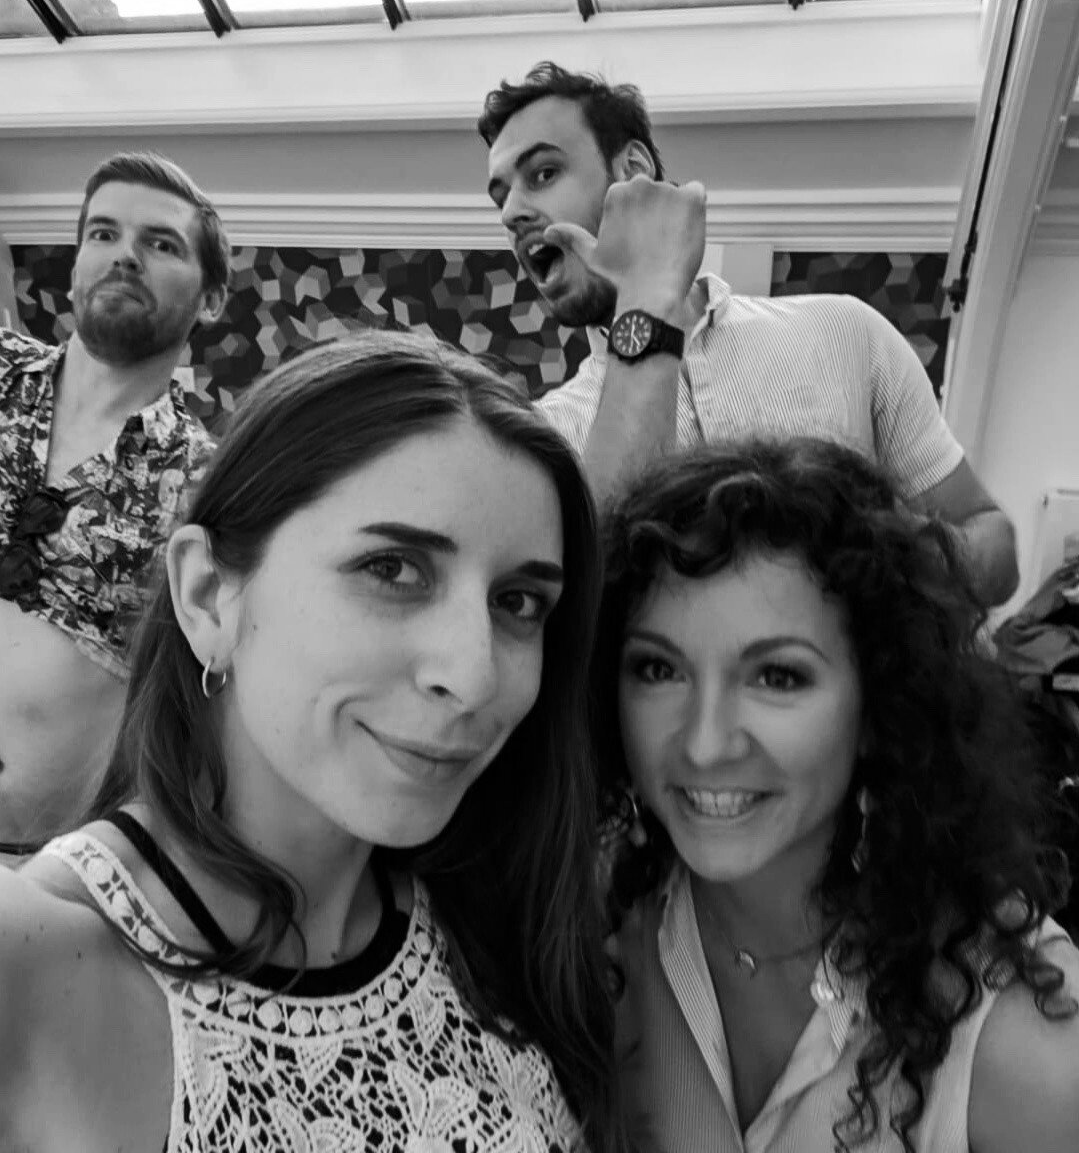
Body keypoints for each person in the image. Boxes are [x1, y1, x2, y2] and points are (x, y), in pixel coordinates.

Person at [0, 332, 625, 1152]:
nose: (474, 677)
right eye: (392, 569)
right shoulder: (30, 963)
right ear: (207, 595)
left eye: (516, 603)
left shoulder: (515, 928)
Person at [594, 437, 1079, 1152]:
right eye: (658, 669)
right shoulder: (590, 929)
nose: (704, 744)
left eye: (778, 677)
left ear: (880, 707)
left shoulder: (1026, 1043)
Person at [478, 62, 1019, 606]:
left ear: (633, 172)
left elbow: (993, 544)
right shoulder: (543, 435)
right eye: (501, 198)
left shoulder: (844, 332)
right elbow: (589, 605)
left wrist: (880, 558)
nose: (512, 214)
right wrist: (646, 295)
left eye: (543, 174)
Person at [0, 152, 227, 848]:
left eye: (161, 244)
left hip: (33, 865)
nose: (125, 255)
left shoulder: (211, 486)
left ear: (211, 300)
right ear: (75, 268)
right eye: (103, 234)